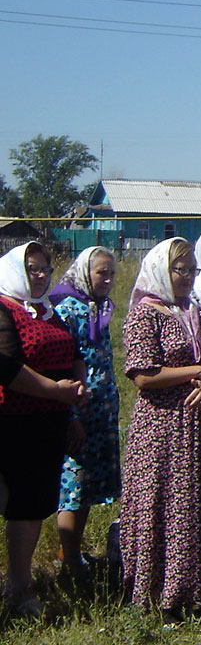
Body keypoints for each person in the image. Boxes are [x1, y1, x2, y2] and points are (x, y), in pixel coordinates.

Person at [121, 237, 201, 621]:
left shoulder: (190, 310)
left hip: (193, 428)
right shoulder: (144, 313)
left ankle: (188, 591)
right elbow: (143, 376)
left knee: (189, 505)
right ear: (162, 270)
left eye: (192, 270)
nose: (187, 277)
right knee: (158, 505)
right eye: (180, 270)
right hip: (159, 429)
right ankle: (153, 595)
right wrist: (195, 372)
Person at [0, 242, 84, 617]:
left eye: (45, 270)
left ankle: (18, 583)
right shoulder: (4, 308)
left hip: (48, 421)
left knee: (33, 505)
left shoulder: (47, 311)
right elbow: (6, 367)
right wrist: (54, 390)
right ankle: (20, 587)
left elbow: (73, 352)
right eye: (32, 268)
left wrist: (76, 389)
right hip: (12, 421)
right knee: (18, 504)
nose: (40, 276)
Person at [49, 246, 120, 583]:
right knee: (73, 485)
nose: (106, 280)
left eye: (111, 274)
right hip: (77, 410)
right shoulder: (67, 310)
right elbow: (64, 363)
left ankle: (72, 551)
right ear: (84, 273)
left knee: (87, 484)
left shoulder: (99, 308)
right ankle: (69, 560)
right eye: (100, 273)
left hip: (100, 412)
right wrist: (71, 414)